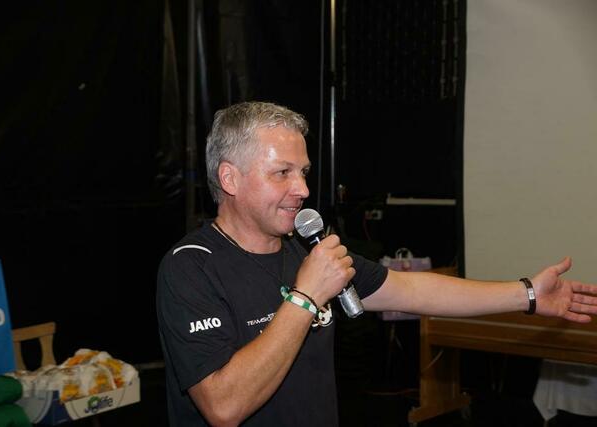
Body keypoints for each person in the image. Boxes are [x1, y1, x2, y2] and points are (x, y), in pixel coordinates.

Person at [156, 101, 597, 426]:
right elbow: (224, 407)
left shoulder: (308, 250)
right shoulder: (191, 268)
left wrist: (527, 294)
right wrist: (306, 297)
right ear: (230, 178)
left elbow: (413, 290)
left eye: (303, 172)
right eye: (282, 173)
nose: (303, 189)